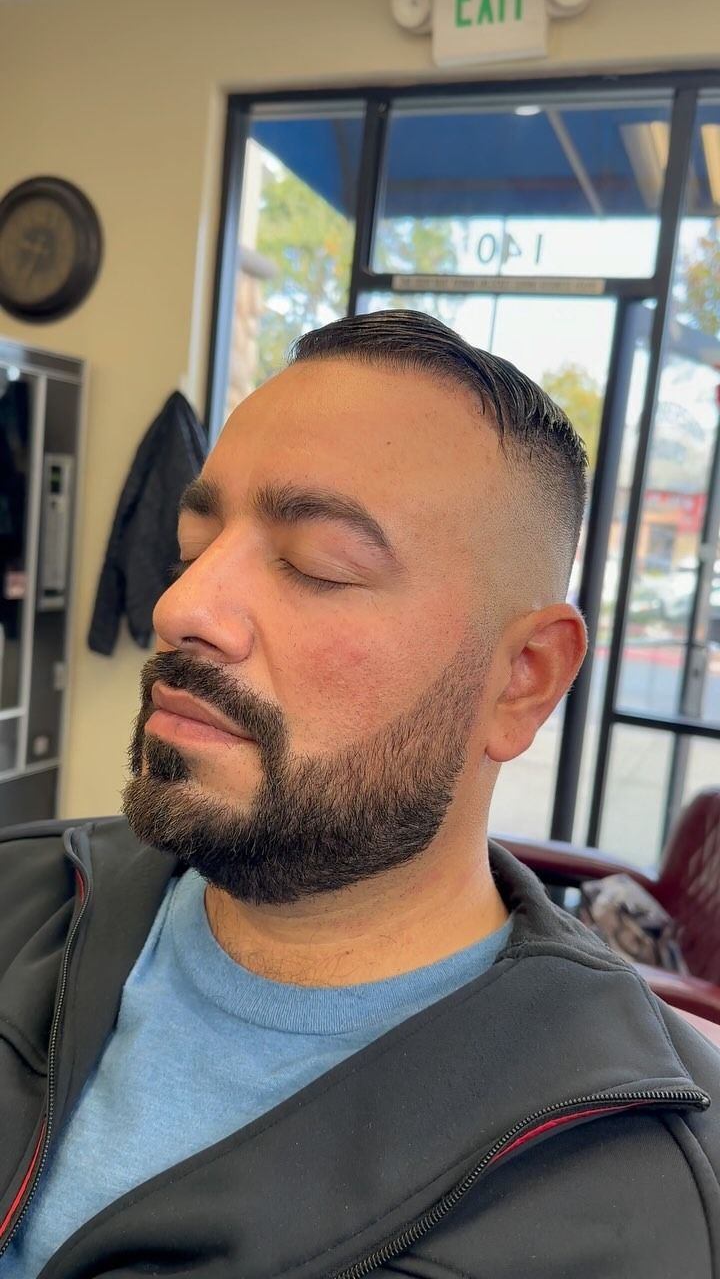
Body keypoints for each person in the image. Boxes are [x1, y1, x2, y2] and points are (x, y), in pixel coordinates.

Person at [0, 310, 718, 1279]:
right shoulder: (23, 897)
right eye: (191, 544)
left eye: (316, 564)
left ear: (523, 679)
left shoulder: (640, 1194)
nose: (180, 608)